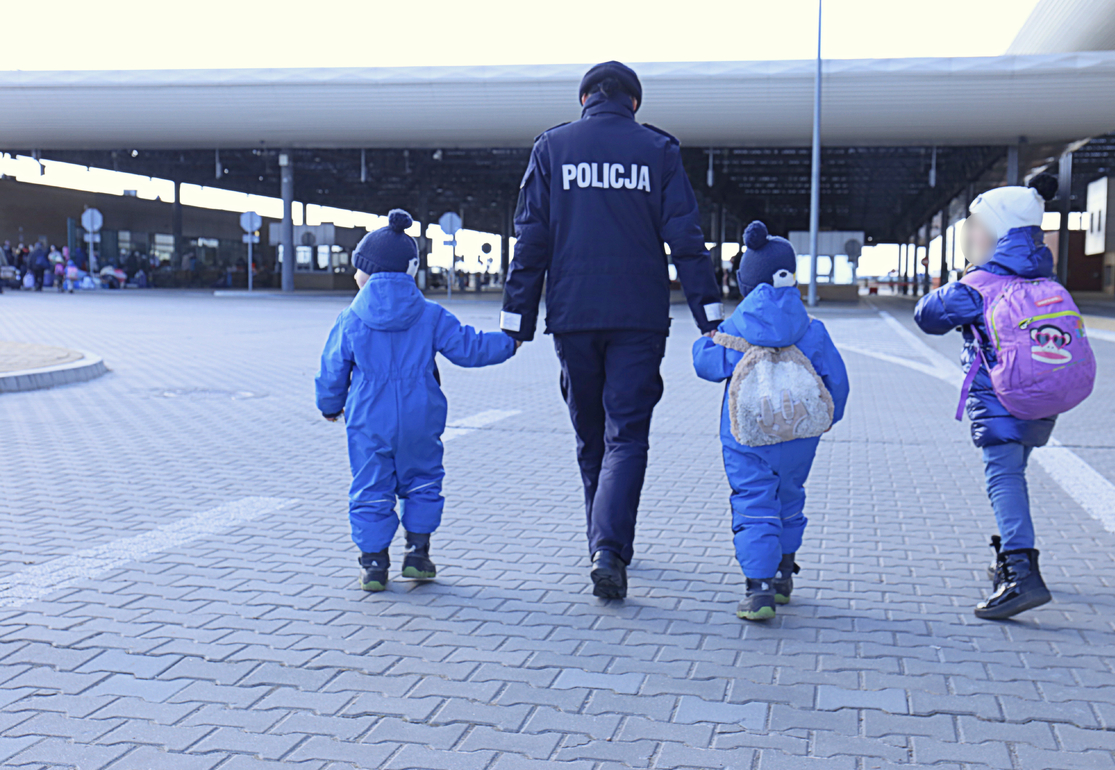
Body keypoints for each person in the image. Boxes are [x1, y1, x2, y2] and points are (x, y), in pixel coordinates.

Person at [500, 60, 724, 599]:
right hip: (639, 317)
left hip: (573, 316)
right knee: (627, 434)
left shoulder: (551, 149)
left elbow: (530, 239)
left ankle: (602, 543)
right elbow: (687, 241)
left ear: (583, 100)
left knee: (589, 434)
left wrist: (516, 324)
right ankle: (609, 547)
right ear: (635, 104)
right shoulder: (658, 151)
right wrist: (710, 320)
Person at [316, 210, 519, 592]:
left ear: (369, 272)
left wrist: (329, 405)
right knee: (423, 481)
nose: (353, 276)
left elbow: (331, 369)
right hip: (420, 418)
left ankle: (374, 564)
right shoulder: (429, 314)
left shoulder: (350, 319)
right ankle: (418, 553)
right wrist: (510, 342)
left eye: (358, 268)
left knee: (370, 487)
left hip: (368, 421)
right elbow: (469, 347)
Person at [914, 175, 1061, 620]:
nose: (969, 235)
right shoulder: (1045, 276)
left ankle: (1021, 572)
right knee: (1014, 474)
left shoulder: (980, 284)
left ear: (998, 232)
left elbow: (927, 315)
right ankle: (1008, 559)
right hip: (1044, 400)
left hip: (1000, 401)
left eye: (976, 225)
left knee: (1003, 478)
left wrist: (965, 281)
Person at [693, 222, 849, 620]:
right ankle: (783, 575)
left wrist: (704, 340)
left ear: (748, 281)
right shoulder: (812, 329)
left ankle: (758, 588)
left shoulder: (738, 329)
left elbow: (706, 363)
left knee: (753, 502)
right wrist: (830, 418)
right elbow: (837, 380)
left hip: (747, 435)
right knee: (790, 496)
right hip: (800, 434)